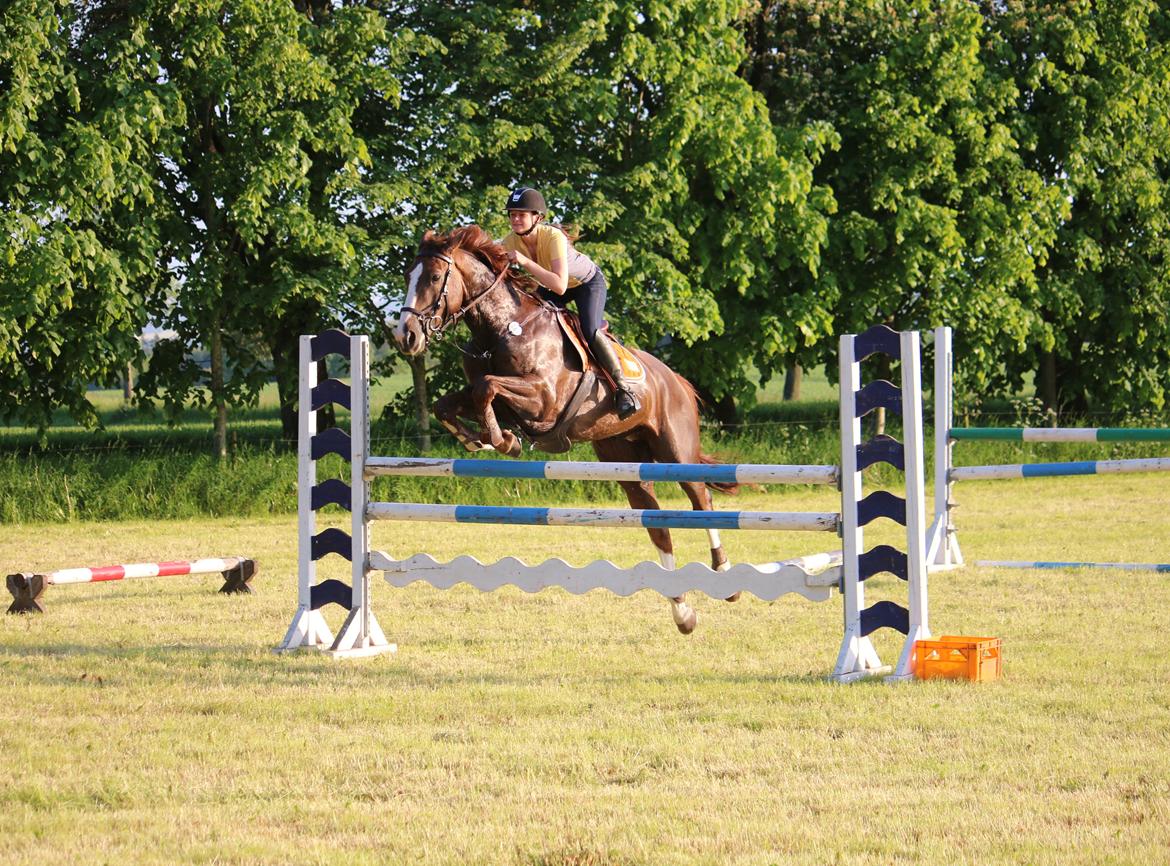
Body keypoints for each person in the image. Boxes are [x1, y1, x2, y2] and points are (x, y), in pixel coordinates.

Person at [500, 186, 641, 420]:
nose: (515, 219)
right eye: (512, 214)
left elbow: (560, 286)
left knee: (591, 331)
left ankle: (624, 389)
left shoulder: (553, 237)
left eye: (521, 214)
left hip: (587, 284)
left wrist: (524, 261)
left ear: (538, 217)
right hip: (552, 286)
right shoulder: (509, 241)